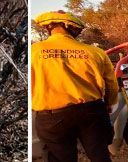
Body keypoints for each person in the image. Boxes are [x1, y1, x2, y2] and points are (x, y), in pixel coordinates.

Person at [32, 10, 118, 162]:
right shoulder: (96, 52)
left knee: (61, 157)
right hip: (92, 112)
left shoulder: (34, 51)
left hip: (51, 117)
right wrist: (109, 103)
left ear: (48, 27)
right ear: (73, 29)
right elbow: (111, 84)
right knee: (100, 154)